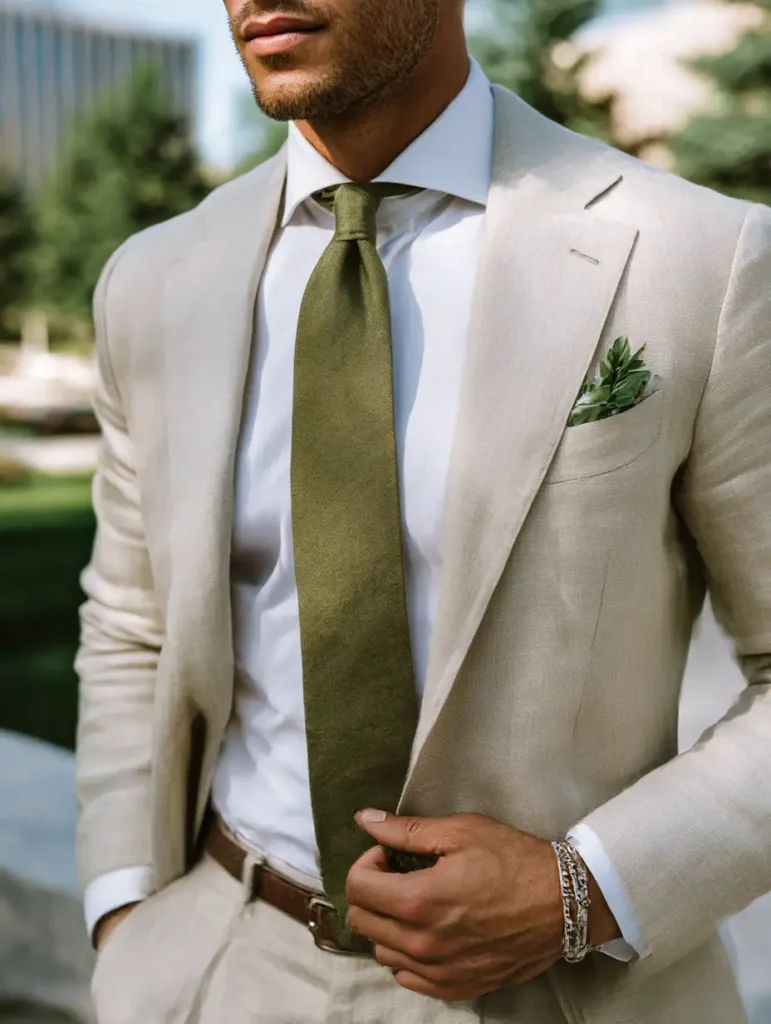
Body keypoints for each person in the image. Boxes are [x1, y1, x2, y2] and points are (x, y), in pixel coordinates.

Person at [75, 0, 771, 1021]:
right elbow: (131, 626)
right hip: (220, 967)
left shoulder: (702, 258)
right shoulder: (153, 279)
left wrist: (584, 889)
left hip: (562, 991)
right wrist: (124, 916)